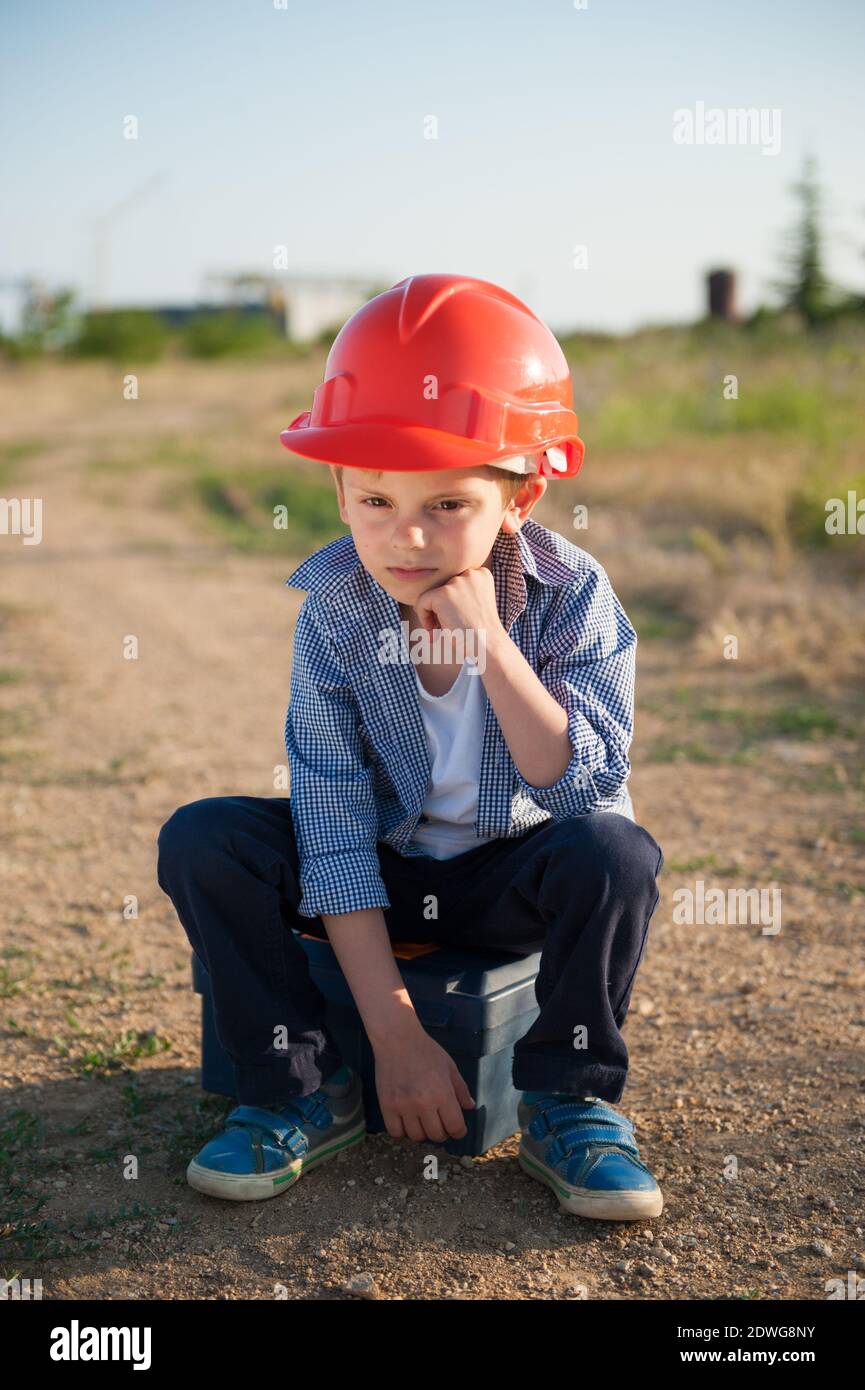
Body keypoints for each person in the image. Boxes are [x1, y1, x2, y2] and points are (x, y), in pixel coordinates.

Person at [157, 273, 665, 1221]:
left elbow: (584, 784)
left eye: (447, 505)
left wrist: (493, 649)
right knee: (204, 837)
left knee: (616, 853)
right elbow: (333, 824)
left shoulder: (572, 593)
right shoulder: (339, 614)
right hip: (380, 876)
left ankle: (568, 1100)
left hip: (508, 876)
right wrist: (395, 1037)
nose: (405, 538)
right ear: (338, 488)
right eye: (377, 501)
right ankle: (297, 1090)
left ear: (521, 497)